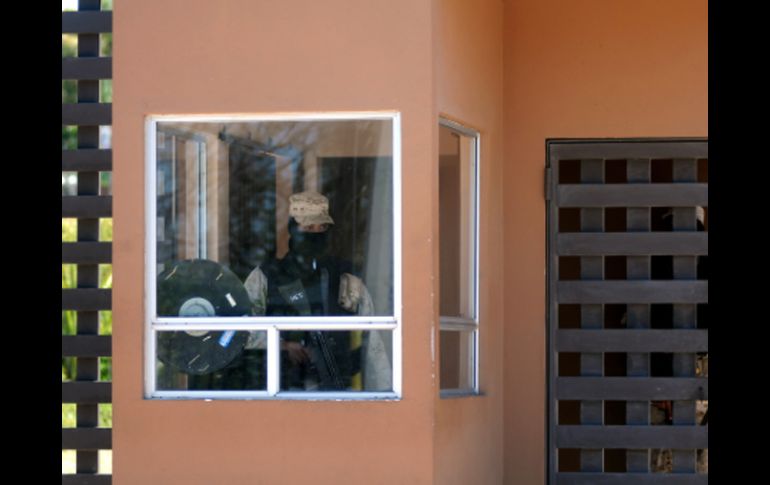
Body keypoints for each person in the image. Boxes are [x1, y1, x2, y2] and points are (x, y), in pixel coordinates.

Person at [243, 190, 390, 391]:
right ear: (292, 229)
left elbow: (374, 343)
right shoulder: (265, 277)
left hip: (339, 393)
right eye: (308, 227)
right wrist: (282, 345)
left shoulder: (346, 279)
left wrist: (386, 391)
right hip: (279, 393)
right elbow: (239, 333)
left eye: (321, 227)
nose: (315, 233)